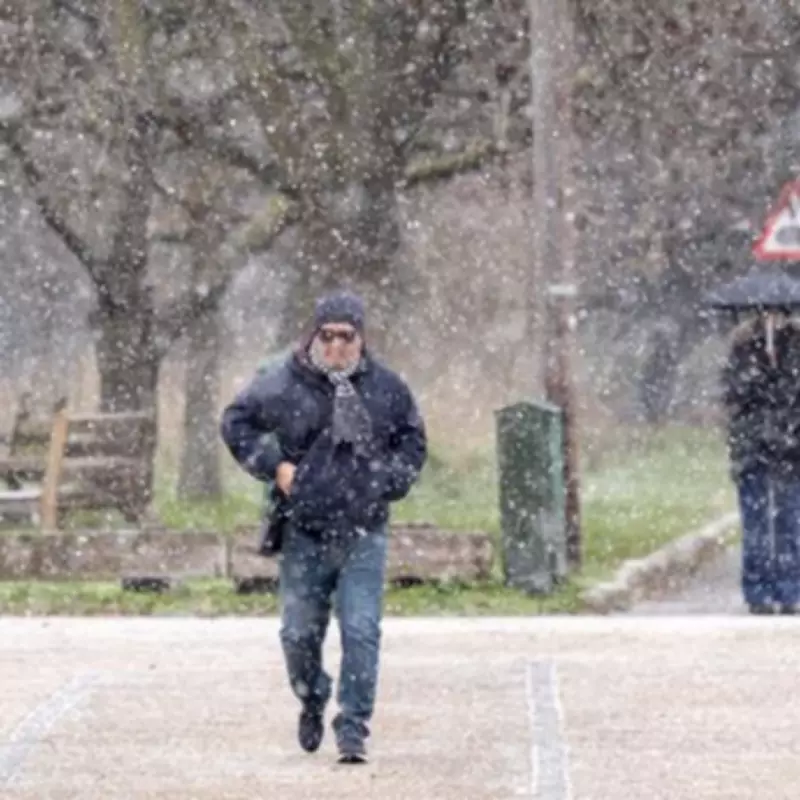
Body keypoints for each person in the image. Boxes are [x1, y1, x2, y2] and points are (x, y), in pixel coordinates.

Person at [220, 290, 427, 763]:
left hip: (363, 529)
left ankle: (352, 725)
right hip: (305, 531)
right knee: (297, 635)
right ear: (314, 334)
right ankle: (312, 696)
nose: (335, 346)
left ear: (361, 338)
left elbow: (413, 443)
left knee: (360, 630)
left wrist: (385, 481)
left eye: (346, 336)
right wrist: (275, 466)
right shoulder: (283, 383)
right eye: (327, 335)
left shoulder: (386, 389)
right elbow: (236, 421)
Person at [721, 309, 800, 614]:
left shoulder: (795, 345)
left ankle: (790, 588)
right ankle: (758, 591)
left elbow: (791, 397)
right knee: (755, 523)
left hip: (791, 450)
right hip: (752, 449)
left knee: (789, 522)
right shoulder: (741, 345)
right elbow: (734, 395)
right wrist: (758, 374)